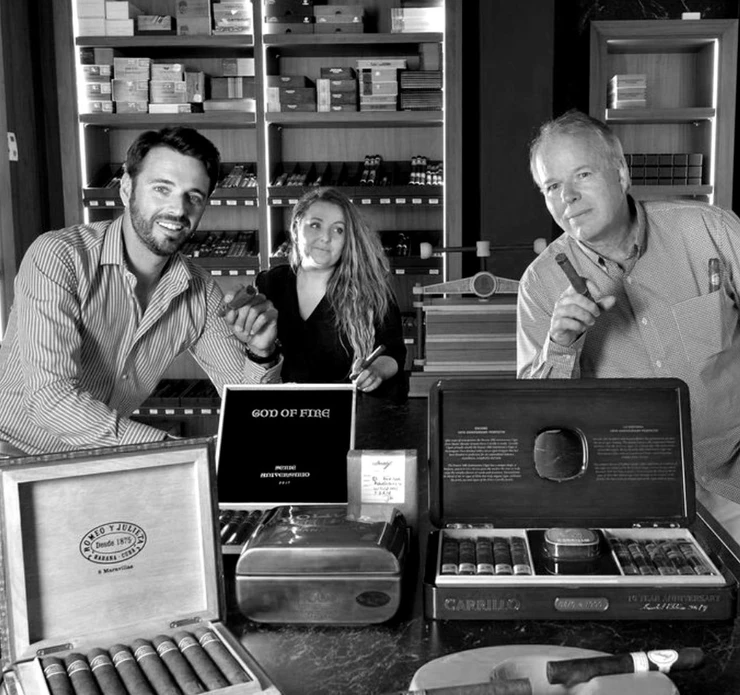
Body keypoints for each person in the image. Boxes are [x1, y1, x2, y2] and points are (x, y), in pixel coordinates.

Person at [517, 109, 740, 537]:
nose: (567, 197)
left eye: (582, 175)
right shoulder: (541, 285)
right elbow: (539, 426)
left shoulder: (709, 231)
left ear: (620, 174)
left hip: (732, 480)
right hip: (629, 496)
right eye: (552, 186)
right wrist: (561, 345)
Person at [0, 126, 279, 455]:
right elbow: (51, 400)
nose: (178, 209)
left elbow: (252, 415)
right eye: (162, 189)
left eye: (194, 197)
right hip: (10, 454)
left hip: (96, 463)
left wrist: (260, 352)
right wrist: (171, 452)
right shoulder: (59, 257)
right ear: (126, 189)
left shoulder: (200, 292)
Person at [256, 187, 406, 398]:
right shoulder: (270, 284)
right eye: (315, 225)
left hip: (351, 410)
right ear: (296, 227)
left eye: (338, 230)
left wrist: (376, 371)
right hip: (286, 410)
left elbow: (392, 351)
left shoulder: (371, 289)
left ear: (348, 239)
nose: (325, 237)